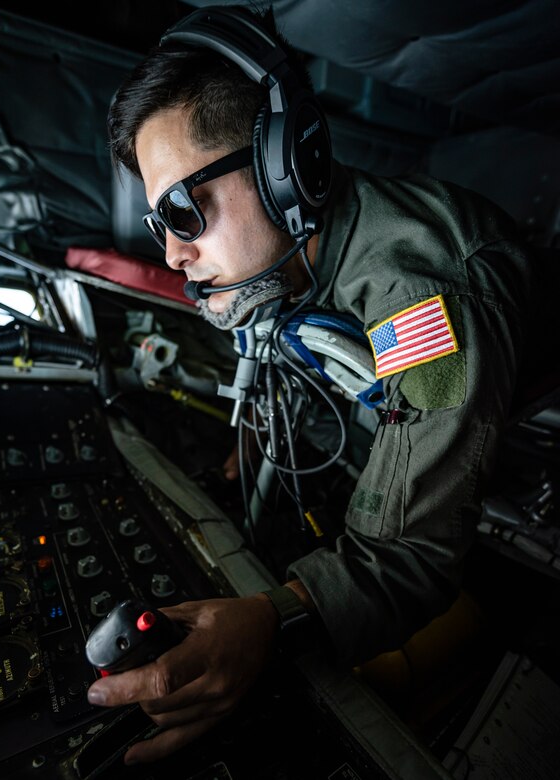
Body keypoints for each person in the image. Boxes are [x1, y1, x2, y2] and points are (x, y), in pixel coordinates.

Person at [86, 3, 534, 765]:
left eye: (183, 211)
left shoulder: (423, 301)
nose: (172, 256)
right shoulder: (285, 258)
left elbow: (409, 557)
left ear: (285, 167)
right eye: (157, 222)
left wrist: (274, 620)